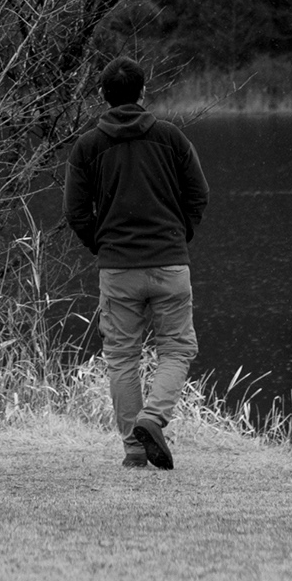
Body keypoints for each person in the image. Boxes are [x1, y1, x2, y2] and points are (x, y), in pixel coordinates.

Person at [62, 56, 207, 470]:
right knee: (176, 348)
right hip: (169, 264)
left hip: (117, 268)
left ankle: (135, 448)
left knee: (122, 357)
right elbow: (198, 194)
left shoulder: (87, 146)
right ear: (143, 92)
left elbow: (75, 212)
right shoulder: (171, 138)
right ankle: (152, 419)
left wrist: (101, 244)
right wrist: (179, 236)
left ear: (102, 95)